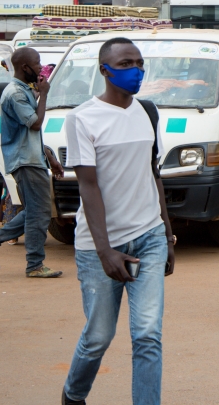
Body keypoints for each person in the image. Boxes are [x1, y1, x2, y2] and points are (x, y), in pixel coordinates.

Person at [60, 37, 176, 405]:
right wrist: (105, 249)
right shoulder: (81, 118)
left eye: (139, 63)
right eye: (125, 64)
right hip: (100, 247)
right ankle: (73, 395)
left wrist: (168, 235)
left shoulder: (148, 111)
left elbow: (153, 173)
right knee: (98, 336)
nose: (136, 70)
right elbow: (88, 187)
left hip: (149, 237)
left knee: (147, 335)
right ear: (104, 69)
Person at [0, 47, 65, 277]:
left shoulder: (24, 91)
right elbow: (35, 124)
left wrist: (50, 157)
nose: (40, 67)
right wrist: (44, 94)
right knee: (40, 211)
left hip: (31, 159)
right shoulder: (15, 93)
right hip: (25, 162)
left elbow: (30, 135)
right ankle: (34, 265)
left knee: (37, 210)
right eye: (37, 63)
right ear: (25, 67)